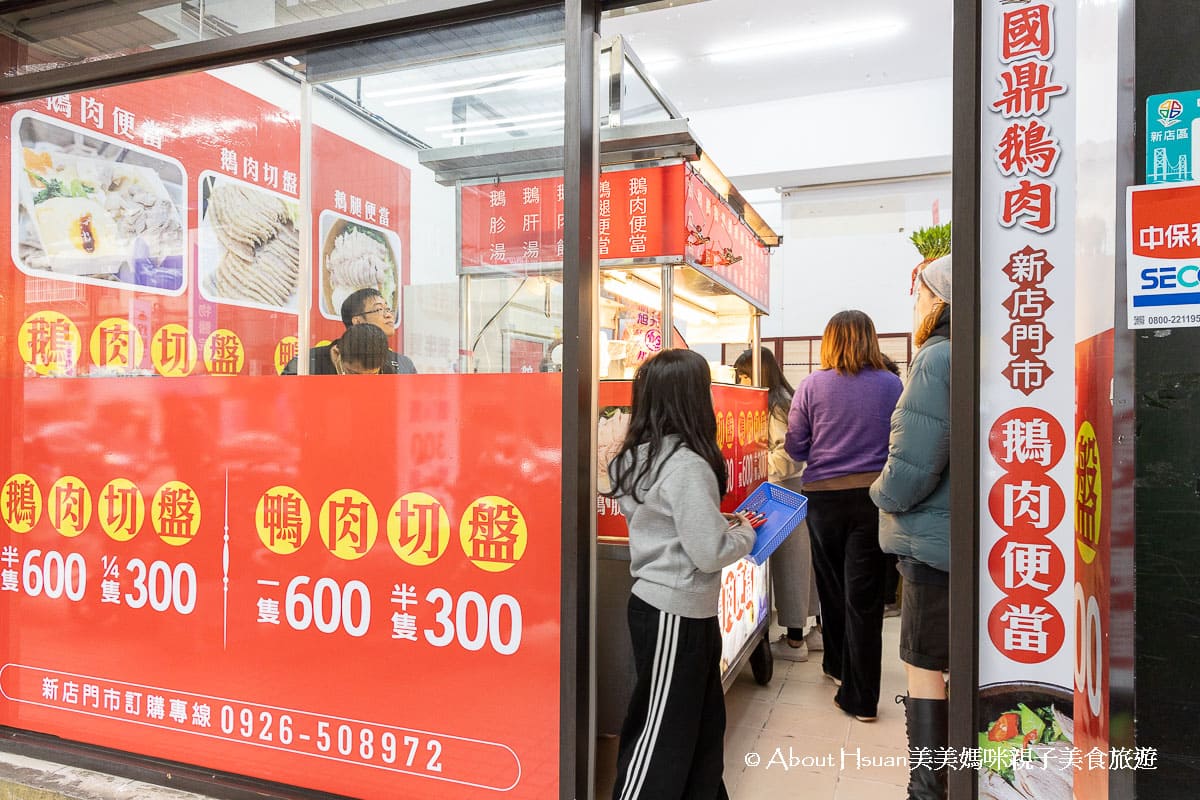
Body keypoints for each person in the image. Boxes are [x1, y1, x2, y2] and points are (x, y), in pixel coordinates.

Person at [606, 348, 758, 800]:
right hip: (677, 610)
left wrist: (717, 524)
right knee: (664, 732)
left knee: (699, 721)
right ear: (693, 398)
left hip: (663, 606)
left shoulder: (638, 456)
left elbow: (673, 526)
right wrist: (745, 533)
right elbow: (709, 553)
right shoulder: (687, 465)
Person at [785, 310, 902, 722]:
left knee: (832, 587)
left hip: (824, 500)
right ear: (871, 339)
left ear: (828, 342)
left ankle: (837, 666)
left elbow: (796, 447)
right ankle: (861, 696)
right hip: (873, 498)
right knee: (864, 599)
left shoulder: (812, 385)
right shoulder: (892, 384)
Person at [870, 254, 952, 800]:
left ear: (939, 299)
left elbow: (913, 465)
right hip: (960, 541)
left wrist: (880, 494)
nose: (916, 305)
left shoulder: (936, 357)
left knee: (925, 671)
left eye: (920, 295)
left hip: (931, 545)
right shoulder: (976, 347)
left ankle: (927, 790)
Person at [733, 347, 821, 662]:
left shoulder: (778, 406)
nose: (740, 381)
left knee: (792, 565)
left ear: (760, 372)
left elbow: (788, 457)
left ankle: (795, 641)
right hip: (790, 490)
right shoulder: (784, 398)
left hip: (785, 490)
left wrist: (755, 462)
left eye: (743, 374)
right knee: (801, 565)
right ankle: (811, 632)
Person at [282, 288, 416, 374]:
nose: (388, 315)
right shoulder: (307, 364)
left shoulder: (402, 365)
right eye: (379, 309)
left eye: (388, 309)